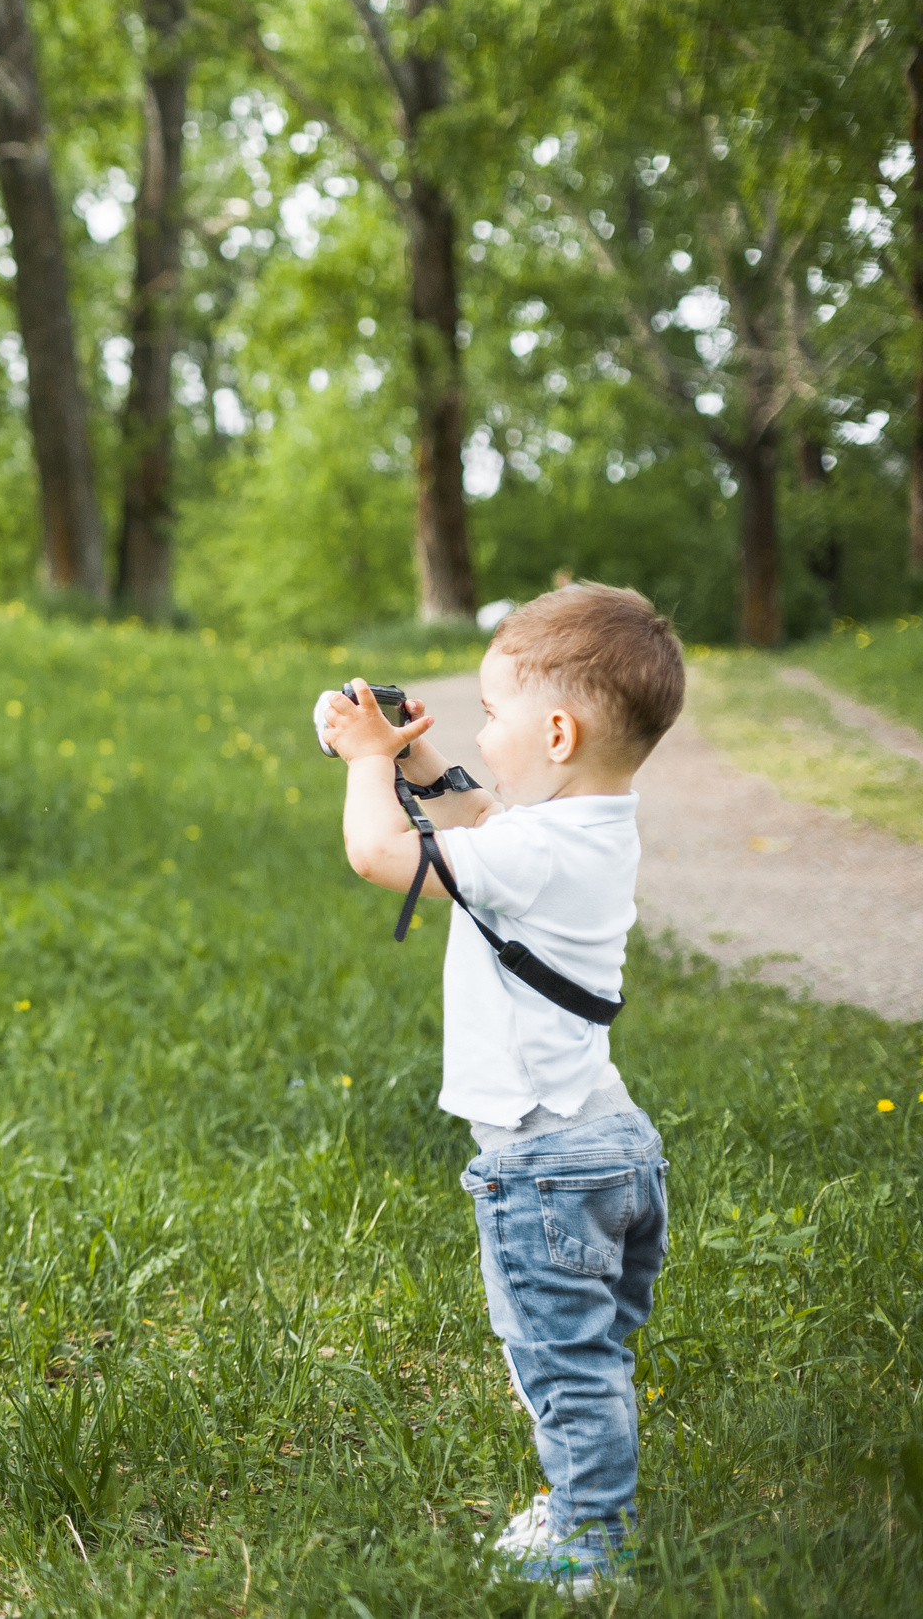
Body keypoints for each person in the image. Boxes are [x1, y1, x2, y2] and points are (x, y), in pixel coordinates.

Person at [317, 583, 684, 1596]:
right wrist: (420, 758)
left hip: (542, 1166)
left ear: (556, 731)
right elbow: (482, 816)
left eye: (492, 715)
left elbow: (376, 852)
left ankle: (590, 1542)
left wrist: (365, 763)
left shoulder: (533, 849)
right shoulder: (587, 828)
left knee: (561, 1371)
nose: (479, 730)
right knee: (591, 1356)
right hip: (609, 1147)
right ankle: (581, 1501)